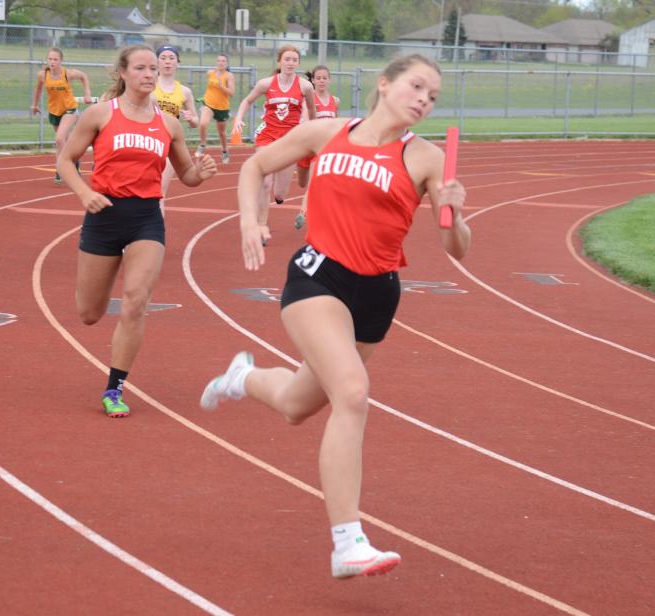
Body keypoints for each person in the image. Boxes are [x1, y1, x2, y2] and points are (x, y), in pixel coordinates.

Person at [199, 54, 470, 578]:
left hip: (377, 294)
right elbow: (256, 164)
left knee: (299, 405)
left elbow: (457, 247)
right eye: (416, 86)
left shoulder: (428, 159)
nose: (423, 100)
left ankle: (243, 377)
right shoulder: (327, 131)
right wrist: (249, 222)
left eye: (433, 96)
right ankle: (348, 543)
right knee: (351, 392)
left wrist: (455, 215)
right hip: (317, 277)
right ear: (384, 84)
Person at [58, 45, 217, 418]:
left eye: (151, 69)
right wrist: (85, 193)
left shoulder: (169, 124)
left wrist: (201, 171)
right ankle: (108, 354)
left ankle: (114, 387)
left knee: (135, 300)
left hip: (146, 217)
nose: (148, 74)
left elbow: (187, 175)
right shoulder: (101, 114)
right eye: (141, 68)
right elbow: (66, 159)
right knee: (89, 313)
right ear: (124, 74)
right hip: (104, 215)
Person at [231, 45, 315, 208]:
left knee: (280, 193)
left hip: (290, 139)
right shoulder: (266, 83)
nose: (290, 63)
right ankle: (260, 222)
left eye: (294, 60)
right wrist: (238, 118)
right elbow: (247, 100)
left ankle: (278, 195)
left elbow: (311, 109)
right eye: (287, 59)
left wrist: (310, 127)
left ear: (298, 63)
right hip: (268, 136)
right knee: (265, 182)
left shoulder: (305, 86)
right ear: (279, 62)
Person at [30, 47, 93, 184]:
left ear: (61, 61)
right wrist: (34, 105)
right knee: (65, 141)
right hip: (54, 112)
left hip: (69, 109)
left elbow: (83, 76)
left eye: (55, 59)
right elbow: (38, 89)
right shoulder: (43, 75)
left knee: (59, 139)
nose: (52, 62)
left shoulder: (68, 74)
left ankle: (63, 166)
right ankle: (74, 161)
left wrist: (87, 93)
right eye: (50, 59)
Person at [294, 64, 340, 230]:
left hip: (321, 150)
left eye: (324, 78)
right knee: (302, 183)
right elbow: (305, 120)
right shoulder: (308, 100)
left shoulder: (335, 101)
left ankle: (303, 213)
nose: (321, 81)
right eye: (318, 78)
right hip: (306, 147)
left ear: (329, 80)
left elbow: (337, 124)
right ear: (312, 80)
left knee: (315, 184)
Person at [153, 44, 199, 209]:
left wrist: (191, 118)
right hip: (147, 142)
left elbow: (195, 123)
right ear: (156, 62)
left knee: (159, 193)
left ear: (177, 63)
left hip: (169, 145)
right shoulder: (148, 85)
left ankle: (157, 234)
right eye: (163, 58)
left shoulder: (184, 92)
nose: (167, 62)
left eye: (171, 58)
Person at [196, 53, 236, 165]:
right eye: (219, 60)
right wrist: (205, 97)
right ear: (216, 62)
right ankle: (202, 145)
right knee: (203, 123)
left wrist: (221, 86)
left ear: (226, 63)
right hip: (208, 104)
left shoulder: (229, 76)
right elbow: (209, 87)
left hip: (222, 108)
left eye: (223, 61)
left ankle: (225, 151)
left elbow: (232, 93)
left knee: (222, 133)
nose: (220, 63)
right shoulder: (210, 73)